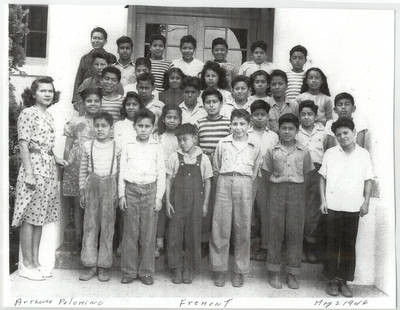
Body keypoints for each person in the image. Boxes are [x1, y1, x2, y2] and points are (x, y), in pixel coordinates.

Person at [12, 77, 67, 280]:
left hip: (49, 169)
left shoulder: (49, 116)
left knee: (39, 218)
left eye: (50, 91)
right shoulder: (28, 113)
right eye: (43, 91)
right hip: (33, 169)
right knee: (29, 217)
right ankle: (26, 264)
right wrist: (28, 173)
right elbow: (24, 144)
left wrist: (57, 158)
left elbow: (47, 146)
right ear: (33, 93)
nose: (47, 94)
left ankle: (35, 262)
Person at [319, 117, 373, 298]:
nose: (342, 137)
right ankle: (332, 280)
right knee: (332, 243)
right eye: (338, 134)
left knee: (348, 244)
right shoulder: (330, 153)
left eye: (346, 133)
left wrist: (366, 202)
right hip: (333, 206)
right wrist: (323, 200)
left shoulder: (363, 154)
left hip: (353, 207)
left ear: (354, 133)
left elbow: (368, 179)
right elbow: (322, 178)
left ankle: (344, 280)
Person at [210, 109, 262, 287]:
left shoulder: (254, 146)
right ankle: (219, 269)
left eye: (242, 124)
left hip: (245, 184)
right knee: (220, 226)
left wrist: (245, 186)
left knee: (243, 227)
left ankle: (240, 271)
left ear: (249, 126)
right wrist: (225, 181)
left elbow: (255, 172)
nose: (238, 127)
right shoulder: (222, 143)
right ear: (230, 125)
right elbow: (216, 167)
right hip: (224, 182)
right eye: (235, 123)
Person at [262, 113, 313, 290]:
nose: (287, 131)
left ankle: (293, 273)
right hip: (276, 191)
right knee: (275, 232)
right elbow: (266, 173)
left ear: (297, 131)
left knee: (294, 233)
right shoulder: (272, 150)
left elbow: (306, 174)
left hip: (297, 192)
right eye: (284, 128)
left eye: (291, 128)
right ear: (278, 129)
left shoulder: (304, 150)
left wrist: (299, 195)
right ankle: (274, 272)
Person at [119, 108, 166, 285]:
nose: (144, 129)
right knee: (130, 232)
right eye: (140, 126)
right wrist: (121, 195)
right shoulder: (128, 145)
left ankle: (146, 271)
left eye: (147, 126)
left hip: (150, 191)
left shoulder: (157, 146)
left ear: (153, 127)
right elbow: (122, 170)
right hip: (130, 190)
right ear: (134, 126)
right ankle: (129, 271)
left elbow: (161, 172)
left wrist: (158, 197)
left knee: (148, 232)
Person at [165, 123, 212, 284]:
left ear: (195, 138)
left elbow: (208, 182)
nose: (182, 143)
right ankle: (176, 267)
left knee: (193, 234)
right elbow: (169, 180)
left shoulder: (203, 158)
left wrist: (205, 204)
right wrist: (167, 202)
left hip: (196, 203)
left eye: (185, 139)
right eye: (179, 140)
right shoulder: (174, 157)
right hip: (177, 201)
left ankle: (189, 268)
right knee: (175, 235)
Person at [78, 111, 121, 282]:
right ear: (93, 127)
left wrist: (118, 192)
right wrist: (82, 191)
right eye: (97, 126)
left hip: (110, 186)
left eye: (104, 126)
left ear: (111, 128)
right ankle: (90, 265)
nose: (100, 129)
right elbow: (82, 170)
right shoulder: (88, 145)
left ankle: (104, 266)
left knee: (108, 227)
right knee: (90, 226)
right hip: (92, 186)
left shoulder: (116, 146)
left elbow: (120, 172)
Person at [63, 87, 102, 255]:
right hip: (76, 166)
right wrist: (66, 164)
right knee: (79, 205)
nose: (92, 104)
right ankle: (79, 240)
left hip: (96, 165)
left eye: (96, 101)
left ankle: (93, 241)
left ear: (101, 103)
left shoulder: (104, 122)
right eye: (89, 101)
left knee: (95, 205)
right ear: (83, 103)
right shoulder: (75, 121)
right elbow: (68, 146)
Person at [196, 88, 231, 251]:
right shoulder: (200, 123)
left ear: (221, 103)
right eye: (208, 102)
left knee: (221, 205)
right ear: (203, 105)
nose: (211, 105)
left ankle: (222, 241)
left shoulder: (228, 123)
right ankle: (203, 240)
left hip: (222, 166)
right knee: (206, 204)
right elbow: (196, 146)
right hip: (204, 166)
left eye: (214, 102)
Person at [296, 100, 328, 263]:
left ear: (315, 116)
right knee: (299, 209)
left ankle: (310, 247)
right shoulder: (295, 132)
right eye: (303, 114)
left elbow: (328, 154)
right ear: (299, 116)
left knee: (313, 212)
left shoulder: (322, 132)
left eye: (310, 114)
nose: (307, 117)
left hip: (317, 172)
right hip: (299, 172)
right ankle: (299, 248)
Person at [247, 100, 278, 261]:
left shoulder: (273, 136)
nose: (259, 118)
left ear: (268, 116)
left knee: (266, 211)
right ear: (251, 117)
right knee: (249, 212)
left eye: (263, 115)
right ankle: (251, 246)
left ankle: (265, 246)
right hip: (249, 176)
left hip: (267, 177)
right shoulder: (246, 134)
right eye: (256, 115)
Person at [154, 104, 182, 258]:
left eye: (175, 118)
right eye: (169, 117)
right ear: (163, 120)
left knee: (174, 210)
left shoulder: (181, 138)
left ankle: (173, 244)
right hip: (161, 178)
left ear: (179, 120)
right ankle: (158, 243)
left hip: (177, 179)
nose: (172, 120)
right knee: (160, 211)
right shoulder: (158, 137)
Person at [72, 27, 116, 110]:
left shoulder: (111, 58)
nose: (96, 41)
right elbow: (79, 78)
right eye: (94, 38)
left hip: (104, 96)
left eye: (99, 38)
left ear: (105, 41)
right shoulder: (85, 58)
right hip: (87, 96)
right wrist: (75, 99)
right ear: (91, 39)